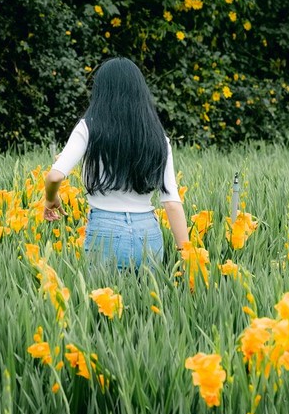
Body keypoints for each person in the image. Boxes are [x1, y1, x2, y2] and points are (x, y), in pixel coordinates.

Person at [40, 57, 190, 269]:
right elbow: (172, 203)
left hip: (105, 232)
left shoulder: (88, 127)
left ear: (101, 91)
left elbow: (55, 176)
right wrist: (187, 256)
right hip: (148, 234)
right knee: (145, 301)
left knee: (102, 300)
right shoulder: (158, 136)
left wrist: (51, 198)